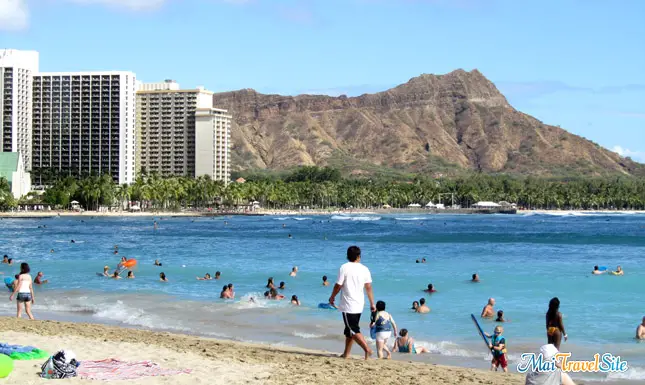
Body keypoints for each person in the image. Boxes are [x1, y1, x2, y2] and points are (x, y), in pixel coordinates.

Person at [328, 245, 375, 360]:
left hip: (348, 304)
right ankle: (346, 354)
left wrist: (332, 297)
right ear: (359, 256)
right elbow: (368, 287)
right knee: (349, 330)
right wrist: (372, 303)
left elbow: (338, 285)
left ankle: (367, 349)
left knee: (353, 329)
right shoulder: (365, 269)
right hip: (359, 304)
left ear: (348, 256)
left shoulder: (344, 267)